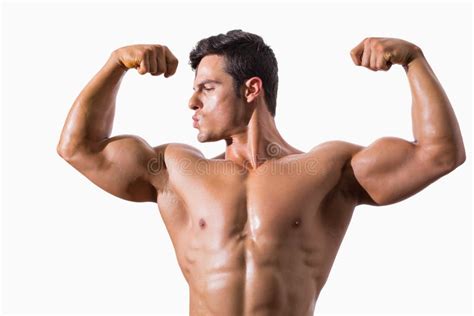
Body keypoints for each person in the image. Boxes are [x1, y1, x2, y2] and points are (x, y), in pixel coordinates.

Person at [57, 30, 465, 315]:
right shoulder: (176, 170)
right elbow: (79, 148)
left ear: (251, 89)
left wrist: (413, 60)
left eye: (207, 88)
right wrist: (116, 65)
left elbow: (439, 154)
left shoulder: (326, 170)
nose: (191, 102)